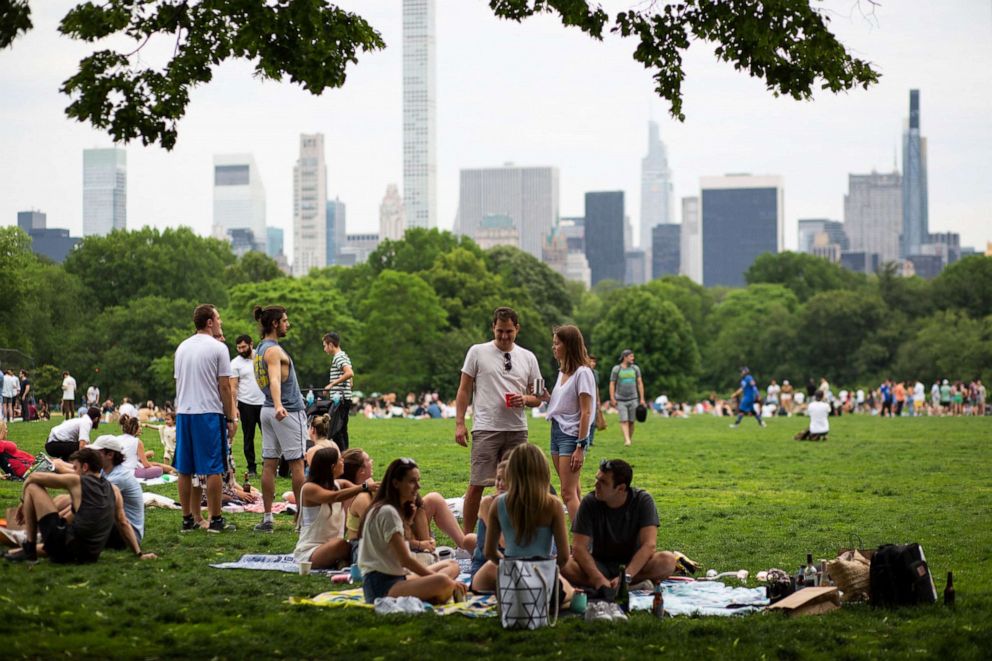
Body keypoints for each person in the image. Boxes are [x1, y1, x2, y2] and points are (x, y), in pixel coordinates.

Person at [454, 306, 542, 534]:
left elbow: (540, 397)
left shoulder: (529, 357)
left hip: (516, 429)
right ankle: (468, 538)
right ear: (493, 327)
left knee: (516, 485)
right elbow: (464, 389)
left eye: (509, 332)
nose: (504, 336)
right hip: (485, 428)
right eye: (500, 331)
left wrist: (525, 399)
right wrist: (460, 423)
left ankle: (510, 533)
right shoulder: (477, 352)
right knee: (478, 484)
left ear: (517, 329)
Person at [5, 448, 154, 563]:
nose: (73, 471)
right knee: (66, 503)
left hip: (68, 550)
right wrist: (139, 554)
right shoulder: (113, 489)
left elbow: (32, 477)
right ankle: (27, 547)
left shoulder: (76, 482)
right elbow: (123, 522)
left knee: (33, 487)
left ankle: (30, 549)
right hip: (91, 554)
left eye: (75, 467)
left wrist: (23, 502)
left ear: (85, 467)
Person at [356, 457, 465, 604]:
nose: (418, 486)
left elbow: (402, 547)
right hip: (382, 587)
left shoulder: (391, 509)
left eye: (418, 480)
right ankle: (441, 591)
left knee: (451, 565)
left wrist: (408, 521)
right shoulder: (387, 511)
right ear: (396, 483)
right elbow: (405, 560)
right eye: (412, 481)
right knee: (443, 581)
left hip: (398, 577)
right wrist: (439, 580)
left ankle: (437, 592)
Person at [562, 458, 678, 594]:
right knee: (563, 563)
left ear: (621, 488)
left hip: (634, 565)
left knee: (668, 561)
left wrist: (626, 576)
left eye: (603, 482)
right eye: (597, 479)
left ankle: (620, 585)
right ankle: (615, 586)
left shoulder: (642, 501)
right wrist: (597, 578)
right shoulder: (590, 502)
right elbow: (578, 548)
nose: (596, 484)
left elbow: (649, 545)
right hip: (599, 564)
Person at [174, 303, 237, 534]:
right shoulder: (219, 348)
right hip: (208, 413)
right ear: (209, 322)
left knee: (185, 468)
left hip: (183, 413)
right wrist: (230, 417)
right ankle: (216, 519)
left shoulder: (181, 347)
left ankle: (187, 519)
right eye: (218, 318)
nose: (220, 322)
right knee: (213, 468)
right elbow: (224, 386)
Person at [484, 443, 572, 599]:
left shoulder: (498, 504)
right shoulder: (553, 505)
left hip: (510, 585)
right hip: (543, 582)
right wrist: (544, 571)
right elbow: (564, 556)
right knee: (572, 593)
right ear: (543, 471)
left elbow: (489, 552)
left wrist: (511, 568)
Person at [252, 305, 307, 533]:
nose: (288, 324)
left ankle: (267, 519)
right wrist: (279, 405)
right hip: (286, 411)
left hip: (266, 411)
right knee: (297, 465)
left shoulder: (259, 349)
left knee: (269, 464)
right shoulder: (273, 351)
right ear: (275, 323)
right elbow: (274, 380)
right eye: (284, 320)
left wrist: (273, 405)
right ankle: (302, 521)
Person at [543, 325, 595, 523]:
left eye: (557, 343)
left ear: (569, 345)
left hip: (571, 436)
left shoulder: (583, 373)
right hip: (556, 432)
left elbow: (586, 411)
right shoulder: (563, 372)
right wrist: (546, 397)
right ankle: (587, 536)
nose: (554, 347)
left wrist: (580, 446)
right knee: (573, 490)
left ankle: (582, 543)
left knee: (567, 493)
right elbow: (561, 405)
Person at [294, 446, 377, 568]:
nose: (343, 461)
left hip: (334, 546)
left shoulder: (339, 484)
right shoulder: (309, 488)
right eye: (339, 460)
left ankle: (345, 560)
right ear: (332, 467)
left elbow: (359, 490)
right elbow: (334, 497)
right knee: (342, 544)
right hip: (311, 553)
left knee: (346, 545)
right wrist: (364, 486)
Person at [88, 436, 152, 555]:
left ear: (110, 455)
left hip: (126, 535)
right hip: (118, 527)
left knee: (84, 506)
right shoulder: (105, 470)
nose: (94, 456)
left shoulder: (119, 477)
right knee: (67, 500)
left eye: (98, 453)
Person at [230, 334, 265, 478]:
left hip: (264, 403)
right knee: (248, 437)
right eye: (238, 347)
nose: (241, 350)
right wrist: (234, 406)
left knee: (268, 437)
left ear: (251, 344)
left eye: (243, 346)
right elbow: (233, 387)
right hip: (246, 404)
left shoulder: (262, 357)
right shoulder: (235, 363)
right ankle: (251, 468)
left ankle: (269, 466)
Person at [322, 332, 354, 450]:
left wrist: (331, 385)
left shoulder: (338, 357)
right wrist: (349, 382)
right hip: (344, 398)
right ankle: (346, 457)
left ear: (331, 345)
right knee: (342, 430)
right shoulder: (344, 355)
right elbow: (350, 376)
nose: (325, 349)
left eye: (325, 346)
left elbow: (349, 373)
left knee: (336, 430)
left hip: (340, 400)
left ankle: (342, 457)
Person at [609, 349, 646, 446]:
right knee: (624, 420)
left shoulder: (635, 369)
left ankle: (629, 438)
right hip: (620, 400)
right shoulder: (617, 369)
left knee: (631, 421)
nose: (633, 358)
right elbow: (612, 384)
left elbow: (640, 383)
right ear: (625, 357)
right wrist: (612, 398)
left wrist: (642, 398)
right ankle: (627, 440)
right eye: (631, 356)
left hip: (633, 398)